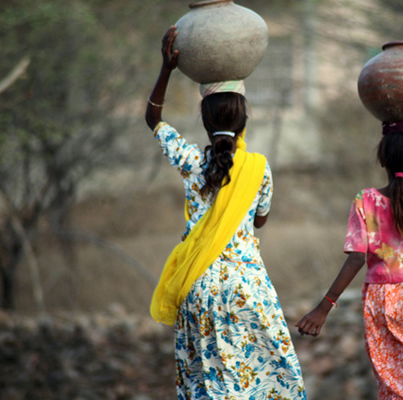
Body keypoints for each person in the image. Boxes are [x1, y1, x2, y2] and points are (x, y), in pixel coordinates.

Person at [146, 26, 306, 400]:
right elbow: (260, 219)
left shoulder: (191, 162)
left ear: (205, 121)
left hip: (198, 284)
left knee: (208, 380)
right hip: (247, 284)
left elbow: (154, 119)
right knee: (267, 376)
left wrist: (167, 69)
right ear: (243, 121)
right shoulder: (258, 168)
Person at [296, 48, 403, 400]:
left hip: (382, 301)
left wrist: (325, 306)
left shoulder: (366, 199)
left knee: (393, 386)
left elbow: (356, 258)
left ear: (381, 156)